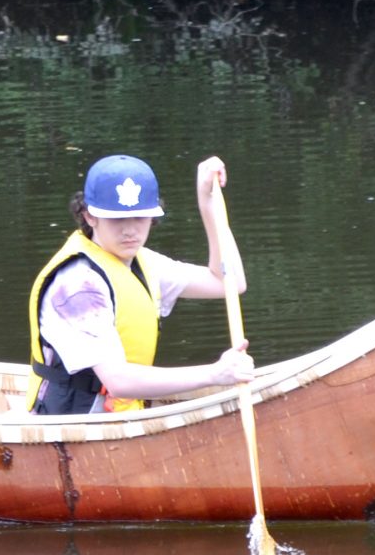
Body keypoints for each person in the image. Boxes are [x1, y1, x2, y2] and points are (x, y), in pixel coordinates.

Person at [27, 153, 252, 416]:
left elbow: (229, 281)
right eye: (117, 219)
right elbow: (118, 381)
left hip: (121, 416)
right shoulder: (78, 286)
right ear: (89, 217)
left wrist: (208, 201)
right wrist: (214, 374)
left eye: (139, 217)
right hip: (73, 429)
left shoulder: (141, 263)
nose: (130, 230)